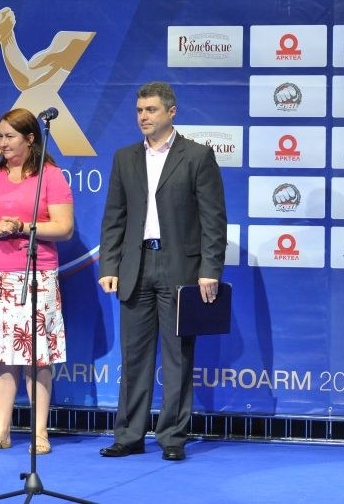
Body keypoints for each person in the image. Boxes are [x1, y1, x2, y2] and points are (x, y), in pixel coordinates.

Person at [98, 81, 226, 461]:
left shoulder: (198, 156)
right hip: (135, 266)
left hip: (181, 269)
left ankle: (172, 437)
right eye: (139, 111)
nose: (143, 117)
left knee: (177, 356)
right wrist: (109, 264)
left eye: (150, 110)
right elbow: (114, 218)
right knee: (133, 357)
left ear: (171, 112)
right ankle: (129, 435)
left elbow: (213, 220)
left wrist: (210, 270)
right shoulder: (125, 158)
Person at [0, 108, 74, 454]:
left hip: (36, 274)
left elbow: (64, 228)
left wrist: (24, 227)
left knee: (37, 355)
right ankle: (1, 432)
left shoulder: (50, 176)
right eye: (0, 135)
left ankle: (39, 433)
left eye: (10, 136)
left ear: (30, 138)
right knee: (2, 355)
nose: (3, 142)